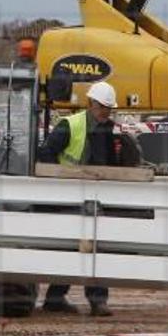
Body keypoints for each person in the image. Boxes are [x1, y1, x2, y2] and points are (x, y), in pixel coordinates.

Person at [35, 81, 138, 316]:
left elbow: (113, 163)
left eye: (109, 109)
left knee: (93, 245)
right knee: (81, 245)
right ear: (91, 104)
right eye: (103, 107)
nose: (106, 112)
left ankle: (64, 298)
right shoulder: (70, 125)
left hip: (95, 197)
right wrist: (59, 182)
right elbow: (46, 154)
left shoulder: (109, 129)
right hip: (68, 196)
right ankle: (85, 300)